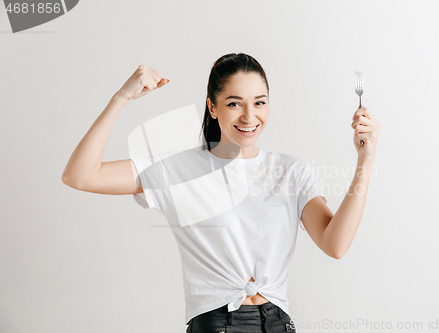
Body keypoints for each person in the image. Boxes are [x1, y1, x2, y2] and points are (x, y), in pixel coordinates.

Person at [61, 53, 381, 333]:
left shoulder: (291, 171)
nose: (248, 117)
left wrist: (365, 159)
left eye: (259, 102)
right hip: (217, 325)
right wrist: (121, 97)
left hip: (279, 323)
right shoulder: (178, 170)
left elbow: (335, 244)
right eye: (233, 104)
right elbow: (80, 175)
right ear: (212, 107)